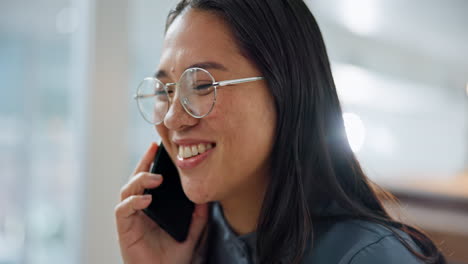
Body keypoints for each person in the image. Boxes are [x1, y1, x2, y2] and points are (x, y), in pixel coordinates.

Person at [114, 0, 447, 263]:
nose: (172, 119)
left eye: (202, 85)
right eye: (165, 91)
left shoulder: (368, 257)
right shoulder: (191, 245)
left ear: (285, 90)